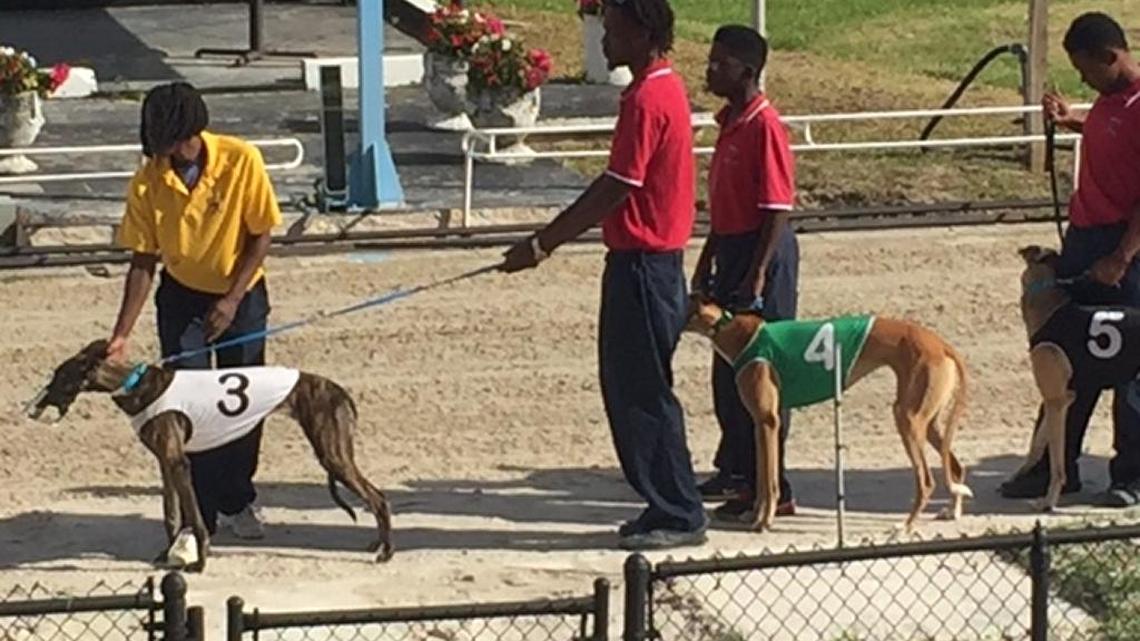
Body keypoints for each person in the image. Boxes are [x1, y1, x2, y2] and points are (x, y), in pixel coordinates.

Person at [499, 0, 707, 549]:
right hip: (648, 264)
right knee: (633, 387)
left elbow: (615, 187)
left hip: (644, 265)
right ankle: (664, 503)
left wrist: (543, 243)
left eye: (613, 32)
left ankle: (678, 511)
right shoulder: (663, 88)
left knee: (642, 393)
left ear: (643, 33)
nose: (606, 44)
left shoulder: (647, 98)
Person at [108, 82, 283, 537]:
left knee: (240, 403)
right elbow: (143, 260)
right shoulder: (149, 179)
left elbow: (261, 235)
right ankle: (199, 513)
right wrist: (122, 333)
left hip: (240, 297)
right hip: (181, 297)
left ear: (189, 134)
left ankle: (237, 499)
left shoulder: (241, 160)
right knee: (188, 404)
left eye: (166, 142)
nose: (161, 153)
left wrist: (231, 300)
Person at [1000, 12, 1140, 507]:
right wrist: (1071, 121)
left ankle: (1131, 475)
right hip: (1085, 238)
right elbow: (1110, 135)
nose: (1082, 78)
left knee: (1130, 361)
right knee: (1064, 351)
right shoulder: (1108, 103)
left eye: (1085, 69)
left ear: (1110, 56)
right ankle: (1054, 467)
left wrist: (1123, 256)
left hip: (1123, 248)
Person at [691, 25, 799, 522]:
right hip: (732, 247)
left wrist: (756, 274)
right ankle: (735, 466)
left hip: (763, 254)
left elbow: (777, 207)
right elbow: (723, 205)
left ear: (747, 70)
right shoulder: (728, 122)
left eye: (721, 63)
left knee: (761, 369)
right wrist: (707, 257)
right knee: (726, 365)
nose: (711, 70)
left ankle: (772, 484)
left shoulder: (764, 125)